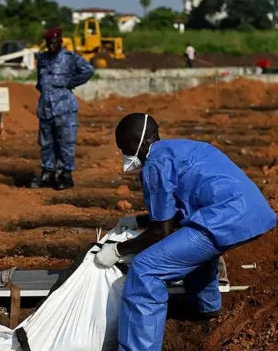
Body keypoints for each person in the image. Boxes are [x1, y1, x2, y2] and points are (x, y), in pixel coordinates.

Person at [94, 113, 276, 351]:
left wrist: (118, 250)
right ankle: (205, 306)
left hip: (224, 217)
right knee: (191, 246)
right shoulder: (179, 149)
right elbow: (174, 213)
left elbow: (162, 231)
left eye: (125, 147)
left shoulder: (155, 165)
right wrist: (137, 220)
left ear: (140, 142)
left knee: (145, 270)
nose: (124, 155)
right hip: (250, 212)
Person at [30, 27, 94, 190]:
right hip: (45, 108)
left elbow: (88, 70)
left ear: (60, 42)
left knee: (66, 142)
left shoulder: (69, 58)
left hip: (64, 108)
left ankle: (65, 174)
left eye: (54, 43)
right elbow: (40, 80)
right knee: (46, 143)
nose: (51, 46)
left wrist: (71, 83)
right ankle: (48, 171)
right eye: (48, 43)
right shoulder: (42, 59)